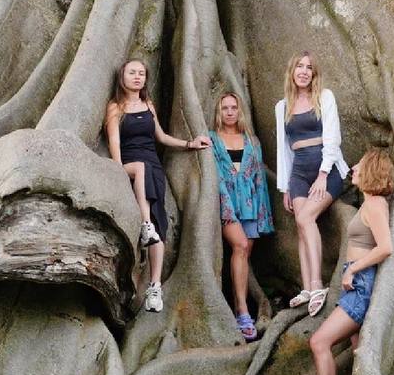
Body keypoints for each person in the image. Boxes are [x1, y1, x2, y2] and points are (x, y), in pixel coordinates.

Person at [105, 58, 209, 312]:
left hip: (153, 167)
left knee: (159, 223)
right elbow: (114, 143)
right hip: (129, 165)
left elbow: (160, 137)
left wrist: (189, 144)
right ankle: (144, 225)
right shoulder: (115, 107)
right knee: (139, 168)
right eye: (132, 72)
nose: (138, 77)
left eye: (141, 73)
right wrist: (118, 169)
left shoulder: (148, 104)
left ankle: (154, 286)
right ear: (122, 77)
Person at [308, 148, 394, 375]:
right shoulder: (370, 203)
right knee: (359, 353)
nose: (353, 167)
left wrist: (355, 269)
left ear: (371, 170)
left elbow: (386, 247)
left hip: (359, 284)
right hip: (353, 282)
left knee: (319, 342)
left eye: (359, 164)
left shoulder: (375, 205)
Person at [275, 51, 349, 317]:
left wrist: (322, 173)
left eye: (309, 68)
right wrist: (284, 186)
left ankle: (318, 285)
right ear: (292, 71)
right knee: (300, 222)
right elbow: (283, 149)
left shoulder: (324, 97)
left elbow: (333, 137)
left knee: (306, 218)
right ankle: (307, 288)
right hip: (298, 173)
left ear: (314, 74)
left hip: (326, 169)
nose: (304, 71)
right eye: (299, 66)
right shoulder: (282, 106)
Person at [209, 92, 274, 342]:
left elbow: (259, 180)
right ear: (219, 112)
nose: (229, 112)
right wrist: (226, 208)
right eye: (224, 108)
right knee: (240, 244)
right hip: (226, 203)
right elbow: (215, 175)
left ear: (239, 111)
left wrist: (262, 214)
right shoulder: (213, 139)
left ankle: (240, 306)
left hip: (250, 206)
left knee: (244, 253)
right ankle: (243, 311)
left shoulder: (251, 140)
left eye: (233, 107)